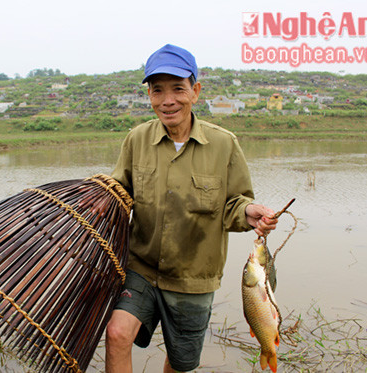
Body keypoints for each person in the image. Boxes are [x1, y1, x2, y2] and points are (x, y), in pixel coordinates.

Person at [105, 44, 278, 373]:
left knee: (181, 362)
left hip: (193, 278)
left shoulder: (224, 144)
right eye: (158, 91)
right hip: (141, 267)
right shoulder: (136, 139)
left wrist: (249, 212)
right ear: (150, 96)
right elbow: (118, 194)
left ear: (195, 91)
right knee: (116, 334)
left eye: (178, 89)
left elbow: (234, 204)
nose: (168, 100)